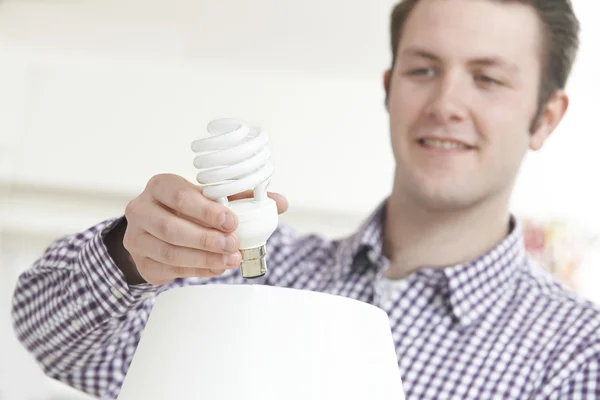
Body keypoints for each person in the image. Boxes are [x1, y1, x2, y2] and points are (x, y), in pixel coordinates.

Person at [11, 0, 600, 398]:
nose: (446, 102)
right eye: (423, 69)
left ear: (545, 117)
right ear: (390, 89)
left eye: (488, 78)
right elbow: (52, 337)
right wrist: (129, 256)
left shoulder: (575, 354)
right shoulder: (239, 269)